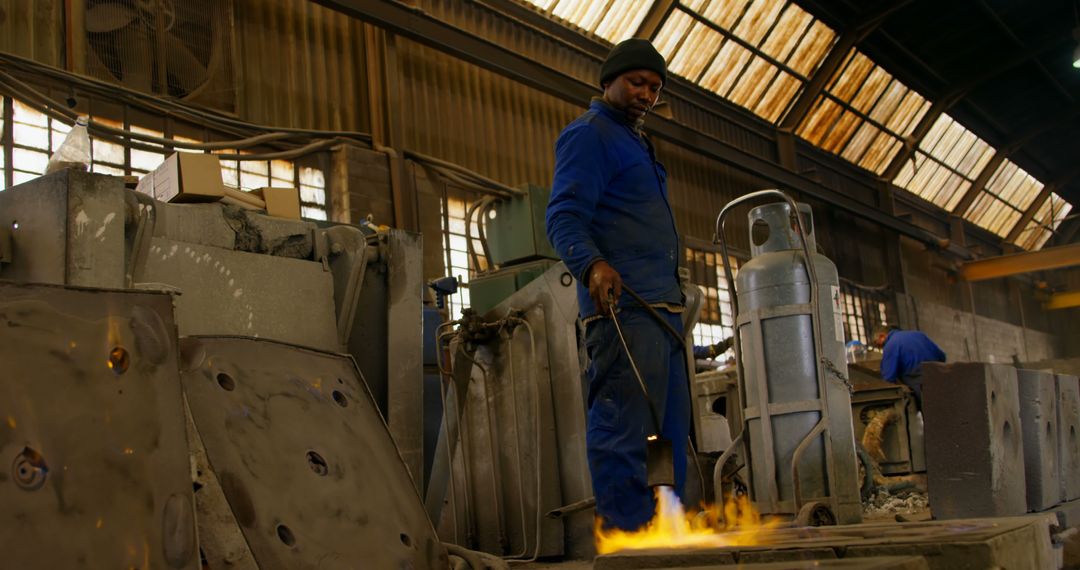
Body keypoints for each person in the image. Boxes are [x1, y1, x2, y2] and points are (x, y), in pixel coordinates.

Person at [545, 38, 689, 532]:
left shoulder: (637, 143)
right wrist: (592, 265)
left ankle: (665, 531)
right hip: (625, 313)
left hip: (663, 313)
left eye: (654, 87)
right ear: (608, 81)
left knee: (664, 437)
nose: (645, 93)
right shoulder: (591, 135)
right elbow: (563, 215)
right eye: (635, 82)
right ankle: (629, 541)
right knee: (624, 431)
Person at [872, 325, 946, 411]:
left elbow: (888, 377)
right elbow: (942, 356)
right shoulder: (918, 334)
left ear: (882, 336)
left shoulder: (891, 345)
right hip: (940, 378)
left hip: (921, 385)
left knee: (932, 415)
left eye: (878, 345)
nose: (881, 348)